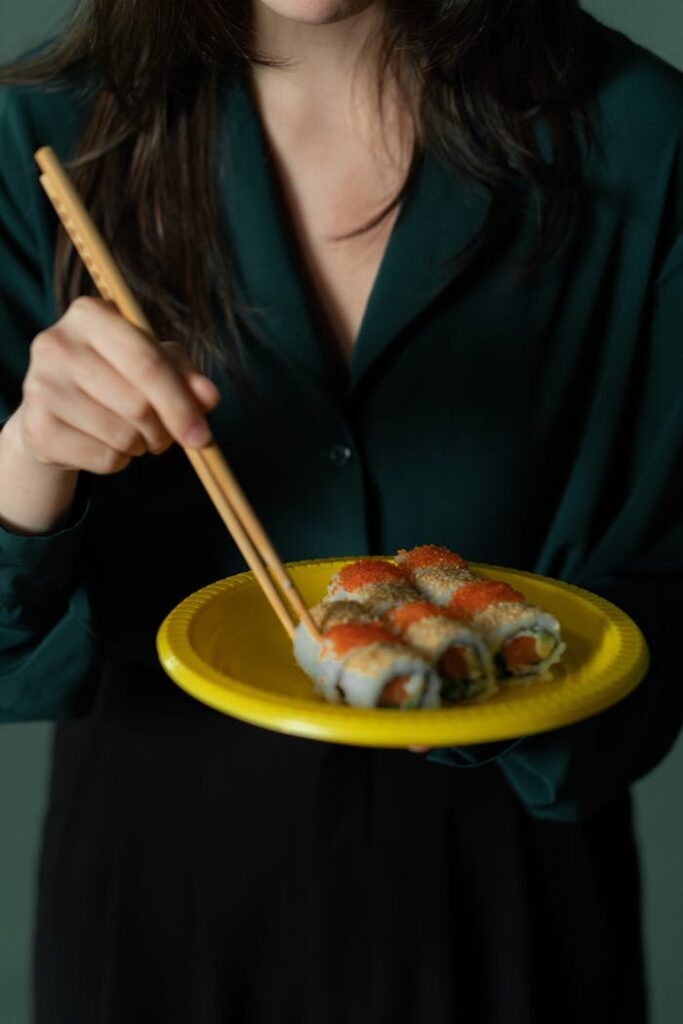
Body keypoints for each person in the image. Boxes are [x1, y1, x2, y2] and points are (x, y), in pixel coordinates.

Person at [0, 1, 681, 1021]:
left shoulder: (640, 135)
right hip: (156, 903)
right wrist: (30, 458)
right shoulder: (43, 128)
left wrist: (484, 678)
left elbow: (662, 617)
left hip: (506, 909)